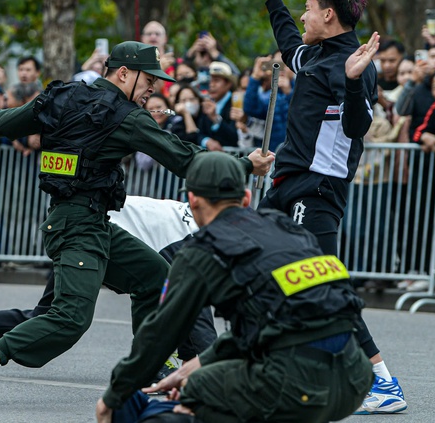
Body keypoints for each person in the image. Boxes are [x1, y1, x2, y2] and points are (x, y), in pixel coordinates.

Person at [0, 41, 273, 407]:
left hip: (87, 222)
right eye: (149, 80)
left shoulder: (61, 96)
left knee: (157, 277)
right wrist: (244, 164)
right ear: (123, 73)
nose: (155, 88)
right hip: (77, 229)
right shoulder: (126, 117)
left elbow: (0, 124)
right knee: (70, 318)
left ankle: (148, 366)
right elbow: (185, 159)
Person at [96, 151, 373, 423]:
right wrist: (198, 362)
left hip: (299, 387)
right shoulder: (287, 229)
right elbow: (275, 322)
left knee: (195, 392)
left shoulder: (201, 252)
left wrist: (113, 397)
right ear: (246, 199)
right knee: (206, 377)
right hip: (355, 378)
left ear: (192, 201)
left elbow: (160, 333)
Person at [257, 0, 406, 415]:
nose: (302, 16)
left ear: (328, 14)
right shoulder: (314, 55)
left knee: (322, 285)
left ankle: (383, 382)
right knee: (248, 262)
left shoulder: (352, 63)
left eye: (307, 8)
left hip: (317, 190)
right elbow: (287, 42)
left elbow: (358, 127)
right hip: (285, 182)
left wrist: (357, 84)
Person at [0, 196, 210, 375]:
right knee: (64, 317)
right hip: (94, 240)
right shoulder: (193, 242)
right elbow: (194, 311)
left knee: (46, 317)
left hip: (93, 233)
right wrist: (206, 366)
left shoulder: (195, 218)